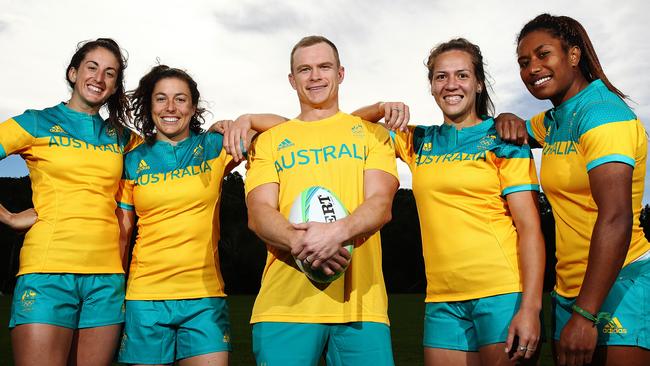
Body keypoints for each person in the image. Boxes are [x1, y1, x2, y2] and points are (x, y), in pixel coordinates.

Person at [353, 38, 545, 366]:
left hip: (502, 294)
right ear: (431, 86)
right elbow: (348, 129)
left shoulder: (504, 139)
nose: (451, 85)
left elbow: (529, 228)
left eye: (462, 75)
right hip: (442, 300)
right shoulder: (420, 140)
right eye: (441, 77)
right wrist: (383, 108)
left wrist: (530, 308)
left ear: (479, 84)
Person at [495, 14, 650, 366]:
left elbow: (616, 217)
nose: (533, 68)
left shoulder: (602, 115)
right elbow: (521, 128)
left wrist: (585, 314)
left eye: (543, 54)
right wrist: (506, 116)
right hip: (568, 289)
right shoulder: (556, 121)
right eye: (524, 62)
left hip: (620, 281)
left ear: (574, 55)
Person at [244, 35, 399, 366]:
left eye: (324, 67)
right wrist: (302, 243)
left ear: (340, 73)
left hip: (362, 306)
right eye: (305, 69)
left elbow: (380, 203)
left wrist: (336, 232)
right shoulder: (269, 141)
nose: (315, 76)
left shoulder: (373, 134)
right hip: (285, 305)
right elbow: (259, 212)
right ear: (292, 79)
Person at [0, 38, 135, 366]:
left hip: (106, 280)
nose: (99, 78)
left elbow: (169, 159)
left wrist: (226, 128)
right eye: (92, 68)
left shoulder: (125, 139)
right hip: (47, 272)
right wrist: (7, 216)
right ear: (73, 73)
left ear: (115, 86)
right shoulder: (35, 122)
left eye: (110, 73)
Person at [115, 65, 242, 366]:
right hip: (145, 297)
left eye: (180, 99)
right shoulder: (132, 160)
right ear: (150, 106)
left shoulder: (213, 147)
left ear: (194, 106)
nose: (170, 107)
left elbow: (284, 133)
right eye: (161, 99)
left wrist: (243, 121)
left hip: (204, 297)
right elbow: (122, 233)